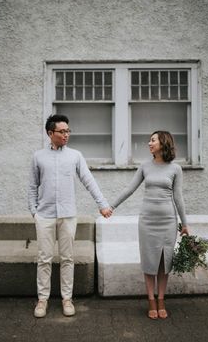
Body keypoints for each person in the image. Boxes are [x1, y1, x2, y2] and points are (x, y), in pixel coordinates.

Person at [28, 114, 112, 318]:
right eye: (62, 131)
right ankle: (42, 300)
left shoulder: (75, 155)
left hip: (68, 215)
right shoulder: (38, 156)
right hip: (45, 216)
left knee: (67, 258)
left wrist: (102, 204)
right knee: (44, 259)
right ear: (50, 133)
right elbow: (32, 186)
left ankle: (67, 299)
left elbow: (88, 180)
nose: (66, 135)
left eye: (68, 131)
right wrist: (34, 212)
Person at [110, 131, 189, 319]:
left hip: (168, 221)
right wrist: (111, 206)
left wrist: (184, 223)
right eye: (149, 140)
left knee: (164, 262)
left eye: (153, 140)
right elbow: (130, 188)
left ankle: (161, 299)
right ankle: (151, 301)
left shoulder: (175, 169)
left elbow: (178, 197)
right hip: (147, 221)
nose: (149, 143)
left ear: (163, 142)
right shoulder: (145, 167)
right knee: (149, 262)